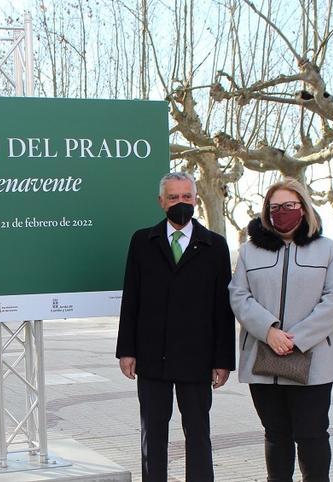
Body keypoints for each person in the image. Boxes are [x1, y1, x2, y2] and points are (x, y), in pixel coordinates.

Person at [115, 172, 235, 481]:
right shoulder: (142, 241)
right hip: (152, 355)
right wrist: (126, 350)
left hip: (198, 358)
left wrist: (223, 360)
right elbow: (132, 298)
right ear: (161, 202)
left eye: (186, 197)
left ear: (195, 199)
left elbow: (223, 309)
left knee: (198, 433)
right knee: (153, 434)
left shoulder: (215, 246)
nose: (180, 203)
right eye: (173, 197)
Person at [229, 178, 333, 482]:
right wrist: (269, 330)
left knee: (312, 435)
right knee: (276, 434)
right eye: (275, 207)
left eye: (290, 206)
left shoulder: (327, 249)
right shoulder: (249, 252)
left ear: (304, 209)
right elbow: (239, 295)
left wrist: (299, 338)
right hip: (263, 357)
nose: (282, 212)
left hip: (313, 360)